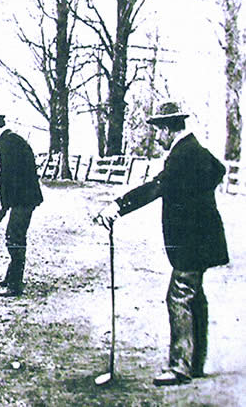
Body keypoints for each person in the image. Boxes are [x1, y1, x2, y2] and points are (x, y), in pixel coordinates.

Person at [97, 101, 228, 386]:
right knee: (194, 297)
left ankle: (180, 367)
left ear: (169, 129)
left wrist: (117, 207)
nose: (157, 138)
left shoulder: (183, 155)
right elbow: (218, 170)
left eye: (159, 131)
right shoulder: (194, 151)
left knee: (179, 296)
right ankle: (195, 363)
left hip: (191, 241)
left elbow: (157, 187)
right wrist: (196, 198)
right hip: (202, 239)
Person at [0, 108, 43, 297]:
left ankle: (15, 285)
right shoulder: (10, 141)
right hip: (22, 196)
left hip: (24, 197)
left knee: (15, 238)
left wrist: (4, 206)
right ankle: (10, 277)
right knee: (13, 236)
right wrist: (5, 206)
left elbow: (9, 178)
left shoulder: (9, 143)